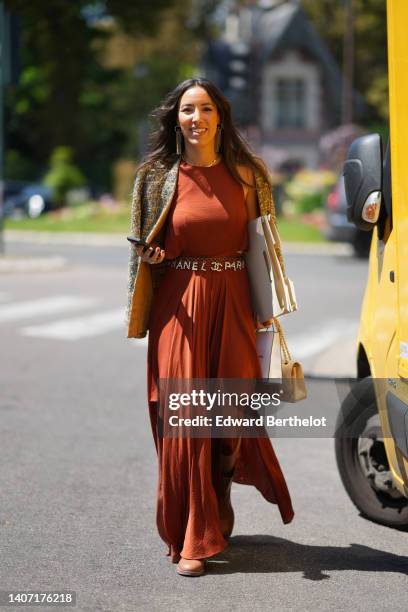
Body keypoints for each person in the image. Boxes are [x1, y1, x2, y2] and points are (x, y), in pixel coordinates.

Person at [126, 78, 294, 577]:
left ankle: (216, 503)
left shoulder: (248, 174)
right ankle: (190, 538)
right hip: (178, 303)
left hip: (236, 301)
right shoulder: (156, 176)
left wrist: (267, 307)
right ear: (175, 119)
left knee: (228, 421)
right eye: (186, 110)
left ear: (220, 115)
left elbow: (264, 243)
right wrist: (154, 255)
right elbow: (149, 255)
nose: (195, 118)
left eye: (204, 109)